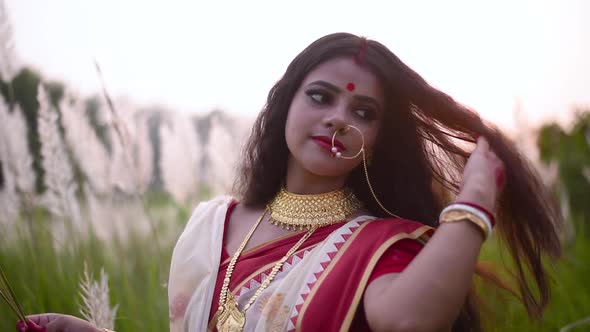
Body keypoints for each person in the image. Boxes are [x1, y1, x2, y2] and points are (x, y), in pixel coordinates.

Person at [20, 33, 562, 332]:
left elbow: (409, 320)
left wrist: (474, 205)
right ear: (285, 104)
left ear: (378, 139)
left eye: (364, 111)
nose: (339, 119)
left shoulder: (373, 247)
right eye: (321, 97)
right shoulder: (215, 224)